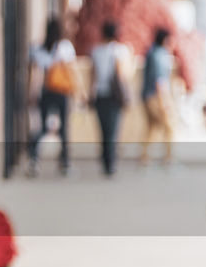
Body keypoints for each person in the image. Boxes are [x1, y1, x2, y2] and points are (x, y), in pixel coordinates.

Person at [27, 17, 82, 175]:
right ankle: (65, 162)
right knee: (64, 127)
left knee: (42, 127)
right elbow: (72, 70)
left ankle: (34, 159)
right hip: (62, 92)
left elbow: (36, 74)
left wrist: (32, 93)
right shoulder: (65, 47)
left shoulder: (39, 49)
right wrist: (79, 91)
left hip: (46, 92)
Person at [89, 20, 131, 175]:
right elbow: (121, 74)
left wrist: (90, 93)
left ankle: (105, 161)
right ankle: (110, 163)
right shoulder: (119, 51)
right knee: (112, 130)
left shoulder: (96, 51)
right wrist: (126, 94)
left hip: (100, 95)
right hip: (114, 96)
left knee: (103, 130)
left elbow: (92, 76)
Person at [139, 28, 176, 166]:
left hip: (148, 96)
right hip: (156, 97)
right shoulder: (160, 55)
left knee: (152, 127)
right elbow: (160, 80)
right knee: (169, 127)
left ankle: (145, 157)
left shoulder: (151, 52)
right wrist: (165, 101)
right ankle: (168, 158)